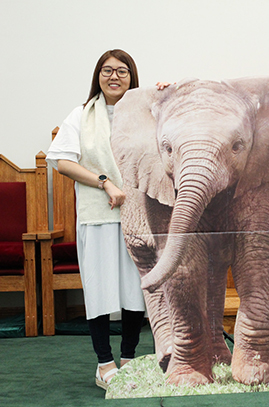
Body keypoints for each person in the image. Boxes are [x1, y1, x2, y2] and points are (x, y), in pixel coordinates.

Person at [46, 49, 169, 390]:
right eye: (107, 70)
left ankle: (128, 359)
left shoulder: (148, 112)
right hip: (99, 215)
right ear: (97, 76)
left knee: (134, 289)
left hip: (138, 215)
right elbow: (62, 161)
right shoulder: (81, 115)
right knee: (99, 289)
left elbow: (176, 136)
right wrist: (105, 183)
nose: (114, 77)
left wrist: (167, 97)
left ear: (132, 77)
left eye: (122, 71)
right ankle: (104, 364)